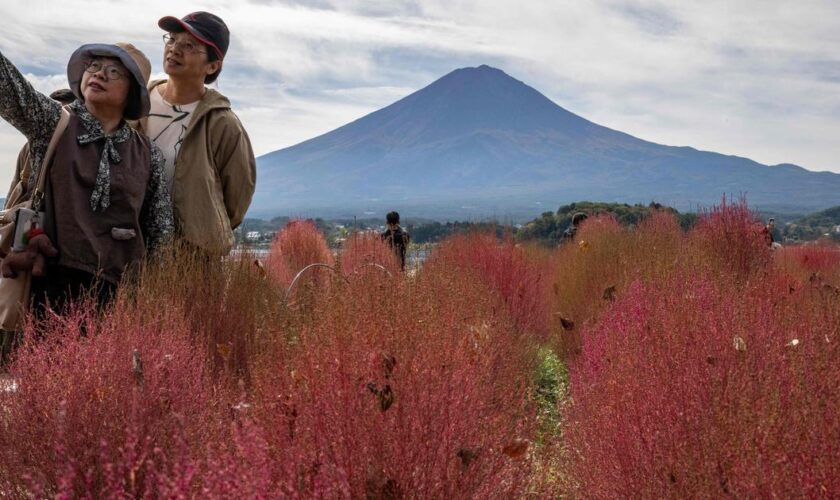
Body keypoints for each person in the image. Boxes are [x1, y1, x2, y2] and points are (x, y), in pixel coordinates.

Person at [0, 42, 174, 313]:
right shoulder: (54, 122)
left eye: (114, 71)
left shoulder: (147, 154)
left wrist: (152, 305)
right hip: (46, 282)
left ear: (133, 92)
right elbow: (10, 88)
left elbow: (160, 233)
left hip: (118, 294)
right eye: (93, 66)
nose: (99, 74)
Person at [133, 11, 256, 257]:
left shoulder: (223, 124)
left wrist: (200, 232)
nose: (175, 49)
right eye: (172, 39)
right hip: (130, 249)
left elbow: (237, 199)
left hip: (189, 259)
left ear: (212, 65)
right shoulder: (135, 103)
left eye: (189, 45)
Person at [4, 90, 77, 208]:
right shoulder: (28, 148)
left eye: (62, 118)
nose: (55, 123)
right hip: (31, 218)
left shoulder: (82, 149)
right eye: (52, 117)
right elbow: (16, 185)